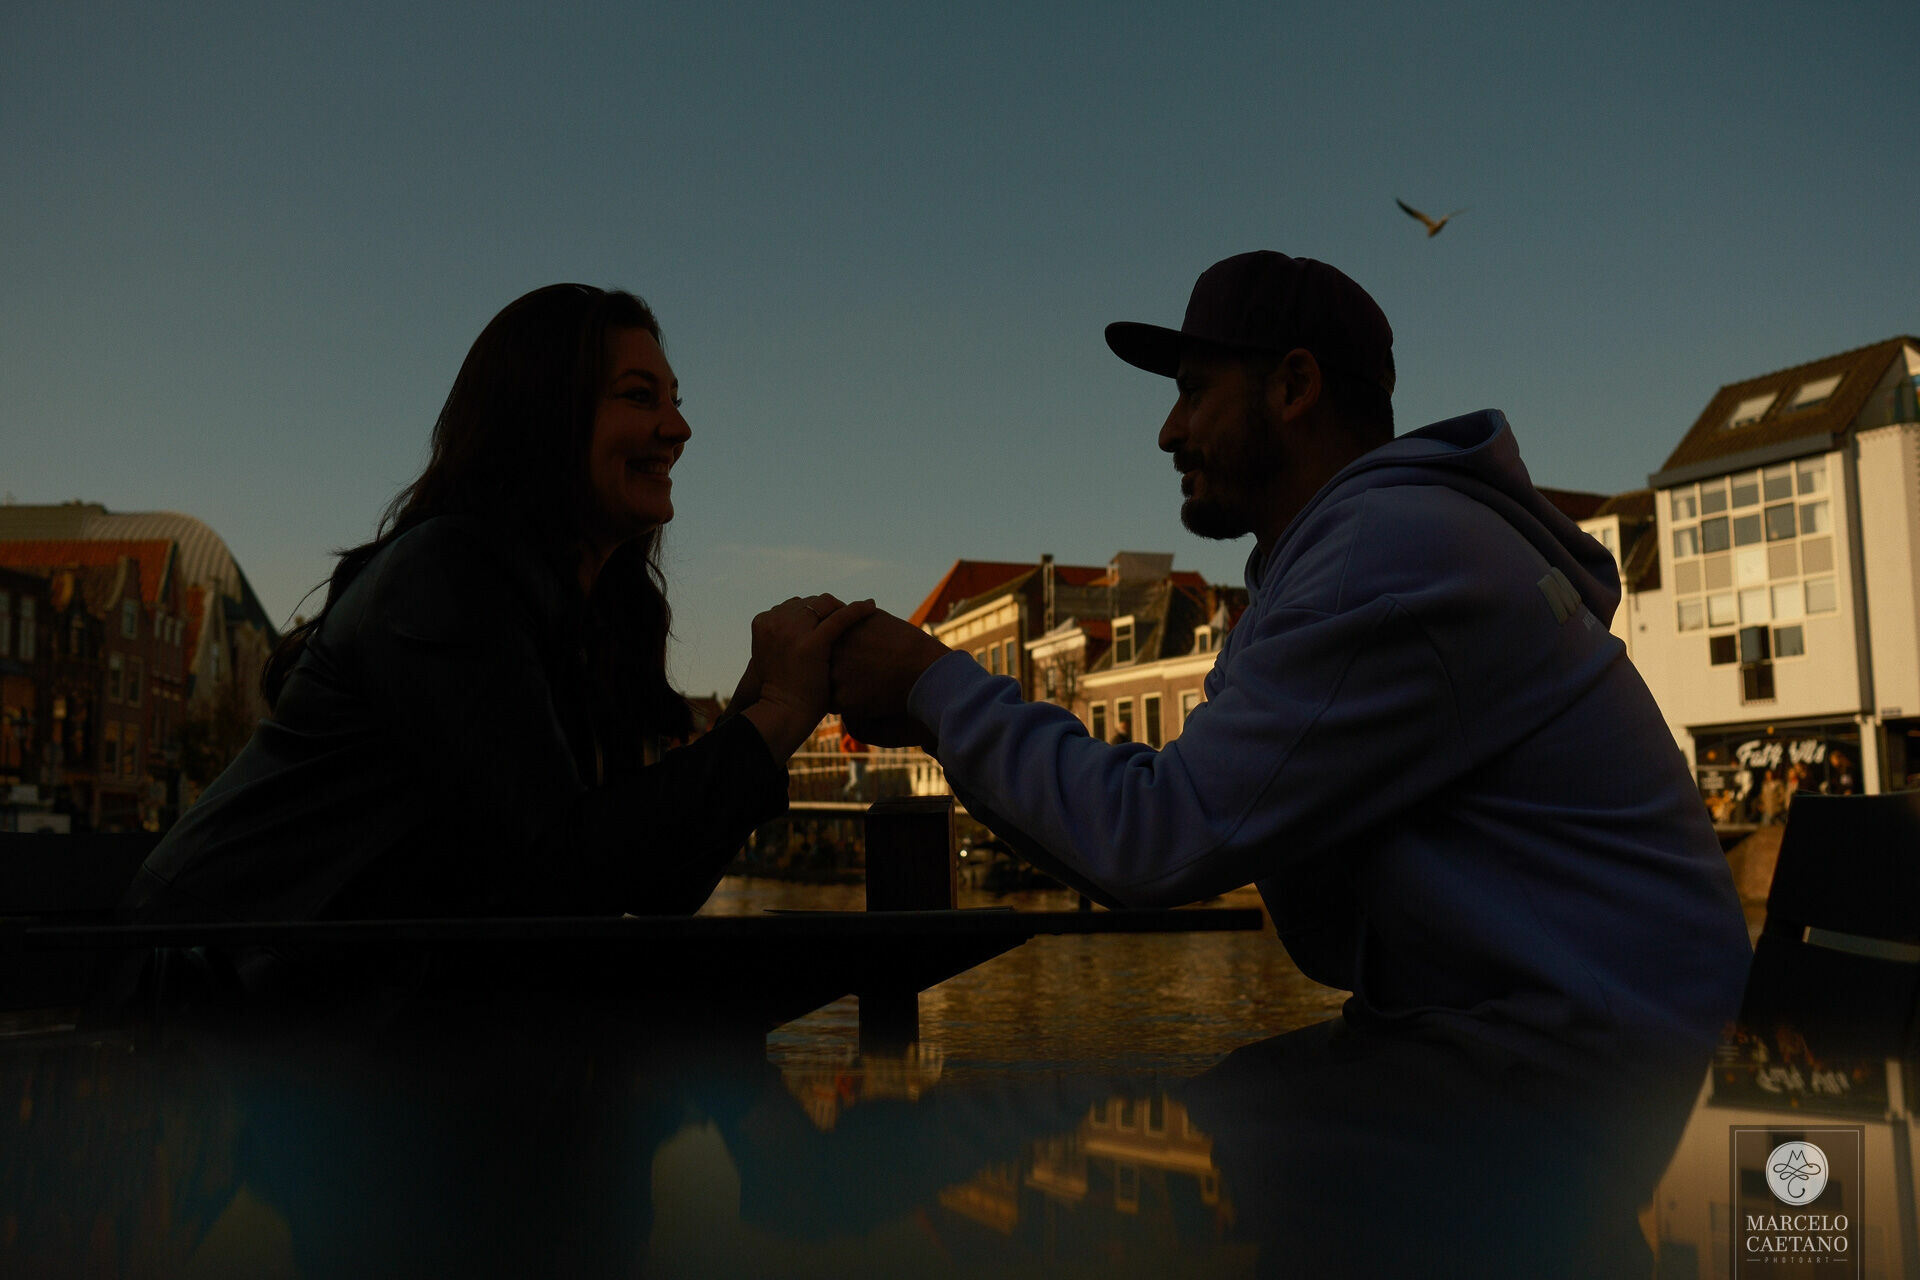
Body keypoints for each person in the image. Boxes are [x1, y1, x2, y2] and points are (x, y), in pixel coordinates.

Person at [831, 251, 1751, 1068]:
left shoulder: (1382, 561)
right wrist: (933, 711)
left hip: (1590, 1077)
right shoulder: (1364, 551)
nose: (1166, 430)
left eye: (1194, 390)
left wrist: (930, 683)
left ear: (1294, 386)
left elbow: (1156, 840)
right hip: (1552, 1032)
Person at [126, 284, 870, 932]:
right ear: (544, 415)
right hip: (205, 1003)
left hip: (329, 1006)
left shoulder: (592, 615)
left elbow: (654, 882)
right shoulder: (444, 577)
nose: (678, 430)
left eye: (676, 401)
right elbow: (561, 867)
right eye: (640, 397)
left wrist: (759, 715)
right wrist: (778, 709)